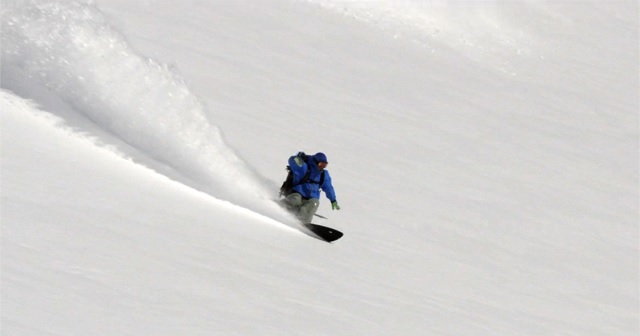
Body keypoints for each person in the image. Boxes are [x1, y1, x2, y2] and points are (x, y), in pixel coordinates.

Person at [281, 151, 340, 224]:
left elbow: (328, 187)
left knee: (314, 203)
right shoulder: (304, 168)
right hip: (297, 193)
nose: (322, 167)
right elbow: (291, 160)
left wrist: (333, 199)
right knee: (295, 199)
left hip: (310, 199)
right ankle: (281, 207)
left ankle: (303, 221)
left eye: (325, 165)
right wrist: (297, 158)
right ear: (315, 162)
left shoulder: (324, 175)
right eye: (321, 164)